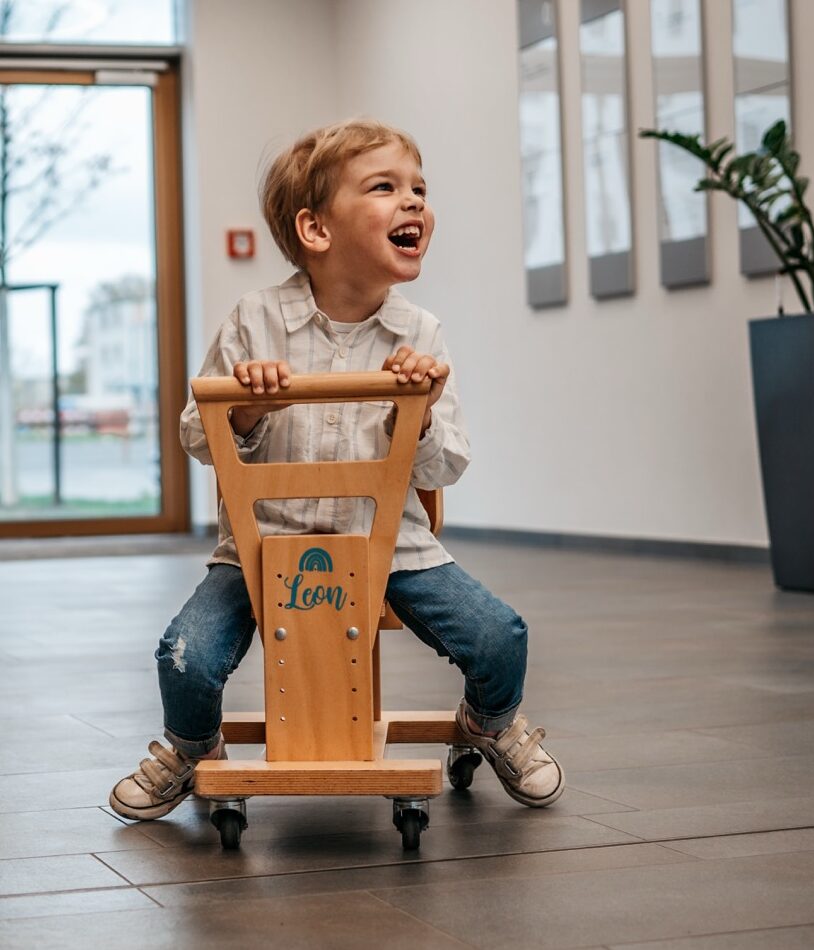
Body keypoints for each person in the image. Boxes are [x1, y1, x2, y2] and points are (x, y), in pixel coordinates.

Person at [110, 118, 565, 821]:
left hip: (390, 546)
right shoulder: (252, 321)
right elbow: (196, 437)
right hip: (259, 547)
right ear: (317, 231)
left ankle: (488, 724)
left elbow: (448, 464)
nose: (413, 201)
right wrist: (245, 406)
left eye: (419, 188)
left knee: (501, 637)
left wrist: (413, 408)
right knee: (184, 656)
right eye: (385, 187)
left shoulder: (421, 334)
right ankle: (193, 748)